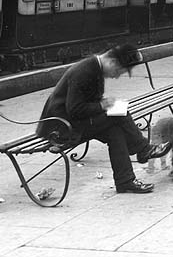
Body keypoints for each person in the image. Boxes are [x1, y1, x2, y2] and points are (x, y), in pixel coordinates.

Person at [36, 43, 161, 194]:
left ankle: (125, 181)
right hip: (60, 129)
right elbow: (75, 109)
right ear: (112, 62)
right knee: (119, 113)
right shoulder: (84, 72)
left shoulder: (95, 67)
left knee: (115, 130)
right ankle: (143, 150)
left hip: (72, 122)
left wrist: (104, 106)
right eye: (118, 71)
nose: (116, 76)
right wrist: (102, 106)